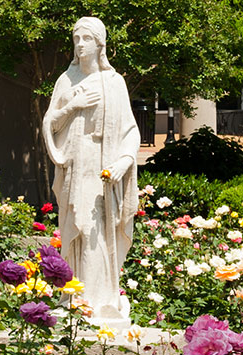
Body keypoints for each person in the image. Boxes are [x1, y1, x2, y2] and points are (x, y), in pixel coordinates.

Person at [41, 16, 141, 322]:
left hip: (103, 166)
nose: (80, 44)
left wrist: (123, 162)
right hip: (74, 163)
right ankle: (73, 296)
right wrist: (74, 105)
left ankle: (101, 299)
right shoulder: (66, 81)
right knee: (75, 227)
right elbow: (49, 123)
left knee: (99, 230)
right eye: (76, 39)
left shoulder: (114, 83)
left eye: (86, 39)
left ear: (100, 44)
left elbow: (130, 130)